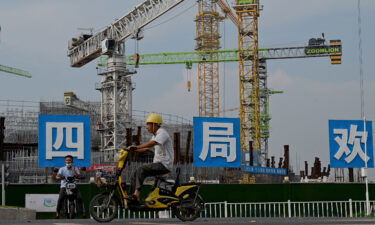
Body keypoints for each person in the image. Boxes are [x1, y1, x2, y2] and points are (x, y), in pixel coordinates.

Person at [127, 113, 174, 202]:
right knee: (135, 173)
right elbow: (146, 148)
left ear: (155, 124)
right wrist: (132, 150)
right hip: (158, 164)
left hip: (163, 165)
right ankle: (132, 197)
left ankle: (136, 195)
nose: (147, 127)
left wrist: (136, 147)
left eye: (148, 124)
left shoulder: (162, 133)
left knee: (141, 169)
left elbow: (152, 143)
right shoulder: (155, 135)